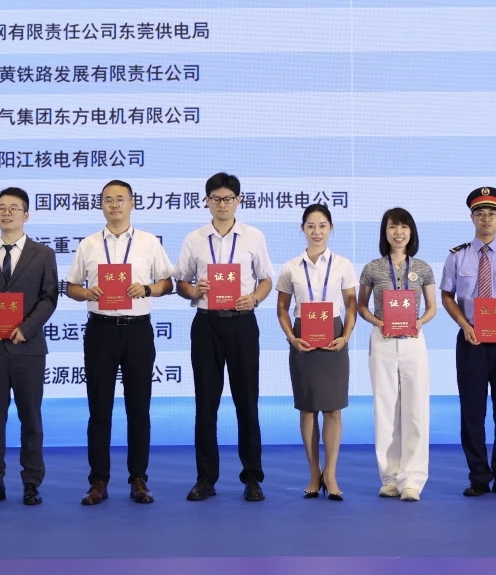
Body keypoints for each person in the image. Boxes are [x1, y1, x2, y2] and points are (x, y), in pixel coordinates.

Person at [65, 180, 175, 506]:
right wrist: (86, 293)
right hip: (100, 331)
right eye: (108, 200)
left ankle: (138, 478)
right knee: (99, 409)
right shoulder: (88, 244)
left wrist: (148, 289)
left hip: (137, 330)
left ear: (132, 203)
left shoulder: (148, 242)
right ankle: (98, 480)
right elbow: (71, 286)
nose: (114, 205)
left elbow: (167, 282)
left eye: (120, 199)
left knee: (139, 408)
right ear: (101, 205)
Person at [175, 172, 274, 502]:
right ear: (206, 201)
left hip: (242, 323)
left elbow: (266, 279)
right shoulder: (194, 239)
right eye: (215, 198)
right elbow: (181, 283)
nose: (222, 204)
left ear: (238, 200)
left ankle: (252, 477)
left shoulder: (253, 237)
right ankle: (206, 478)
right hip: (206, 325)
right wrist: (194, 289)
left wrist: (254, 299)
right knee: (206, 404)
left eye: (228, 198)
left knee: (247, 402)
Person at [0, 186, 59, 507]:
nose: (6, 213)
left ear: (26, 215)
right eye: (1, 207)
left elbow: (49, 297)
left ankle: (32, 482)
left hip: (28, 349)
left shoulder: (43, 254)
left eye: (13, 208)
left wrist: (26, 329)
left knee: (31, 418)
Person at [440, 188, 496, 498]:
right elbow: (447, 296)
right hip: (472, 340)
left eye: (492, 213)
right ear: (472, 218)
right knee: (472, 412)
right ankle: (478, 476)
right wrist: (464, 325)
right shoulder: (458, 256)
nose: (486, 218)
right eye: (480, 213)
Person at [276, 204, 359, 501]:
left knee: (333, 409)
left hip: (334, 337)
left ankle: (331, 474)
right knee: (308, 408)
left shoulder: (343, 264)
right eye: (311, 226)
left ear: (331, 228)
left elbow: (351, 305)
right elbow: (282, 308)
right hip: (303, 338)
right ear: (302, 229)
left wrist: (345, 336)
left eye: (322, 225)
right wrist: (291, 338)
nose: (316, 231)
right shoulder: (291, 267)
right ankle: (314, 473)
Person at [357, 207, 436, 502]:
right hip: (383, 341)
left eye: (403, 227)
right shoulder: (373, 268)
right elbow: (361, 306)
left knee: (416, 409)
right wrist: (377, 321)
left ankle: (413, 479)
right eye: (392, 227)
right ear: (385, 232)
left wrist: (419, 322)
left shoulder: (423, 268)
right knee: (385, 408)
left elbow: (432, 307)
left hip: (414, 341)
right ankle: (390, 477)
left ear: (411, 232)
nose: (398, 232)